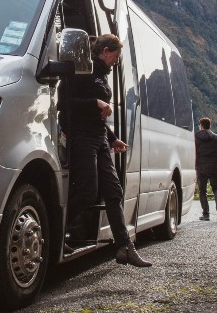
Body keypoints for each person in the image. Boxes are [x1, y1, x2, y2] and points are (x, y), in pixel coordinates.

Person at [58, 33, 152, 268]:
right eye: (116, 56)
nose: (116, 61)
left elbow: (98, 118)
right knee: (88, 192)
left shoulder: (101, 74)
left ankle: (125, 247)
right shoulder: (83, 71)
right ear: (106, 51)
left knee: (113, 191)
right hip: (81, 138)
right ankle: (57, 234)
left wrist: (112, 138)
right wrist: (95, 103)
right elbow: (64, 104)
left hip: (99, 138)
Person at [194, 117, 217, 221]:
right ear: (209, 125)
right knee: (216, 188)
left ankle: (206, 214)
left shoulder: (195, 138)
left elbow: (193, 153)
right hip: (214, 166)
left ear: (201, 126)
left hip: (201, 167)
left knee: (202, 191)